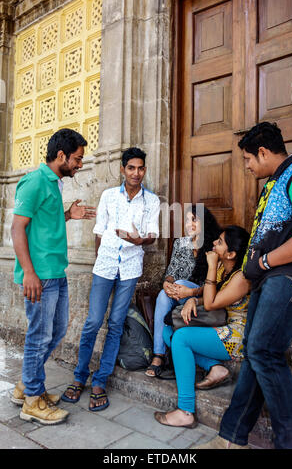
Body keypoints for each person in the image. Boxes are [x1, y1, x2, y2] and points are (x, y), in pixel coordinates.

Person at [195, 122, 292, 449]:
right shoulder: (275, 182)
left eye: (248, 159)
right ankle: (231, 438)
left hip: (286, 279)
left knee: (263, 352)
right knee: (254, 356)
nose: (247, 166)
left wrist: (266, 262)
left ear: (264, 152)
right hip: (264, 281)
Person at [62, 147, 160, 411]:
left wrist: (141, 240)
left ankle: (99, 381)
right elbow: (98, 232)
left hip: (130, 268)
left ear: (144, 170)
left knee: (116, 323)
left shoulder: (151, 201)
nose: (136, 173)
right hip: (104, 266)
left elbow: (152, 235)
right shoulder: (108, 196)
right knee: (93, 322)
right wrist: (100, 260)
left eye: (140, 168)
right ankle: (80, 377)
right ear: (122, 170)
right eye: (131, 168)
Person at [10, 128, 96, 425]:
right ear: (61, 155)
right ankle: (33, 400)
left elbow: (46, 220)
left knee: (56, 331)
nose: (80, 164)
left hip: (56, 272)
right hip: (40, 276)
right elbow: (17, 228)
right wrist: (29, 273)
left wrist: (69, 215)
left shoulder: (55, 183)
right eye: (77, 158)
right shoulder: (34, 182)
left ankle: (25, 386)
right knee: (39, 336)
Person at [154, 225, 250, 429]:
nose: (214, 243)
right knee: (169, 330)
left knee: (181, 338)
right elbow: (208, 297)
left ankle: (185, 411)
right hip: (218, 323)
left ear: (231, 254)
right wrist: (192, 301)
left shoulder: (241, 278)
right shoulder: (224, 267)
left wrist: (211, 266)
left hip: (236, 336)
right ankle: (214, 367)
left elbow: (211, 303)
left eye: (220, 242)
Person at [145, 205, 220, 377]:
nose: (189, 224)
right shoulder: (181, 243)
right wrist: (166, 283)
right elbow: (171, 272)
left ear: (205, 222)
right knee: (164, 294)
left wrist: (190, 293)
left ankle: (161, 355)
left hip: (203, 296)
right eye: (187, 220)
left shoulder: (215, 245)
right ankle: (159, 355)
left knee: (177, 284)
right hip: (180, 294)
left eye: (194, 219)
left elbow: (217, 284)